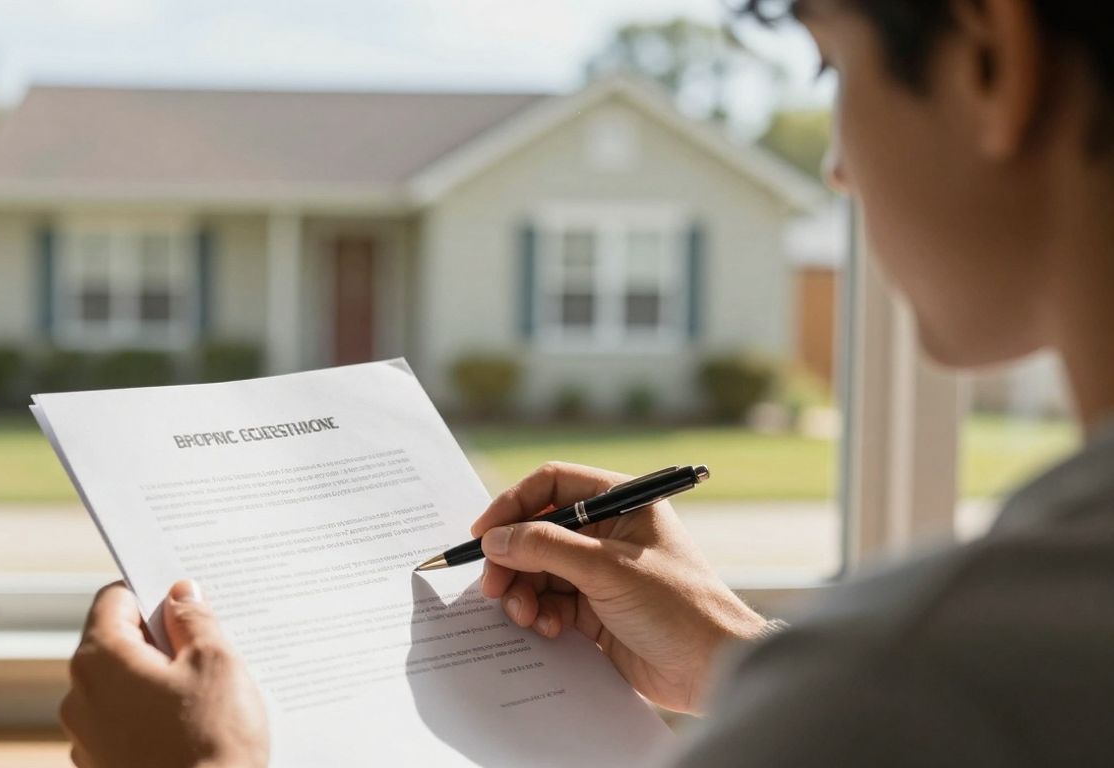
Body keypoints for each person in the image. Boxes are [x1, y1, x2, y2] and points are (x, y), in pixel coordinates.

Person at [58, 0, 1114, 764]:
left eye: (834, 68)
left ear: (991, 55)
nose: (835, 167)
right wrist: (730, 655)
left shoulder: (924, 684)